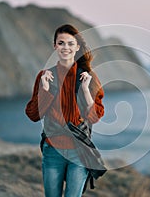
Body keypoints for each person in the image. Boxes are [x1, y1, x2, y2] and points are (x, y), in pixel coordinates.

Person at [25, 24, 105, 197]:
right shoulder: (45, 76)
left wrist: (85, 90)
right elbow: (33, 115)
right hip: (52, 150)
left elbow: (95, 116)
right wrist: (45, 90)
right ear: (55, 46)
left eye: (70, 43)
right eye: (61, 43)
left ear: (77, 47)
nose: (65, 48)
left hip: (80, 151)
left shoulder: (88, 77)